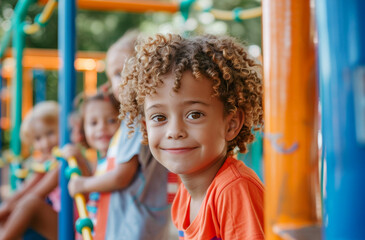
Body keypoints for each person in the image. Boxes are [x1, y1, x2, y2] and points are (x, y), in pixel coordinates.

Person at [119, 34, 265, 240]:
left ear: (231, 124)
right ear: (145, 128)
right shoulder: (185, 195)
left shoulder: (234, 189)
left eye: (194, 115)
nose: (174, 131)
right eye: (159, 117)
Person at [83, 30, 171, 240]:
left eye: (124, 71)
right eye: (114, 75)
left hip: (134, 226)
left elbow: (121, 176)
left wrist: (82, 184)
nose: (119, 82)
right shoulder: (130, 120)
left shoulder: (139, 120)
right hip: (129, 223)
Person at [0, 101, 61, 240]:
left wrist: (8, 208)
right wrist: (6, 207)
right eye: (38, 138)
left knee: (30, 203)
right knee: (13, 206)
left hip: (71, 228)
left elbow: (35, 194)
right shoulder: (46, 165)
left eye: (50, 133)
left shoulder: (63, 162)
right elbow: (21, 193)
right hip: (57, 222)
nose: (45, 143)